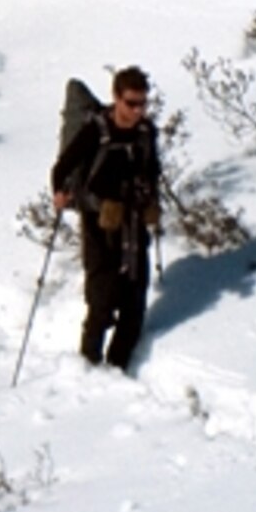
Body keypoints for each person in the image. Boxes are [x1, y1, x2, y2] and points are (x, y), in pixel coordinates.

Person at [51, 64, 161, 371]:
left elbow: (152, 170)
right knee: (101, 299)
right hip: (99, 222)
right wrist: (60, 192)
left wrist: (152, 201)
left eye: (142, 103)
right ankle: (87, 365)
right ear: (116, 97)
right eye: (131, 103)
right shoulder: (96, 131)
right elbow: (63, 167)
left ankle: (116, 370)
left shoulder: (145, 133)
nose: (137, 111)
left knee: (134, 302)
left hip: (134, 221)